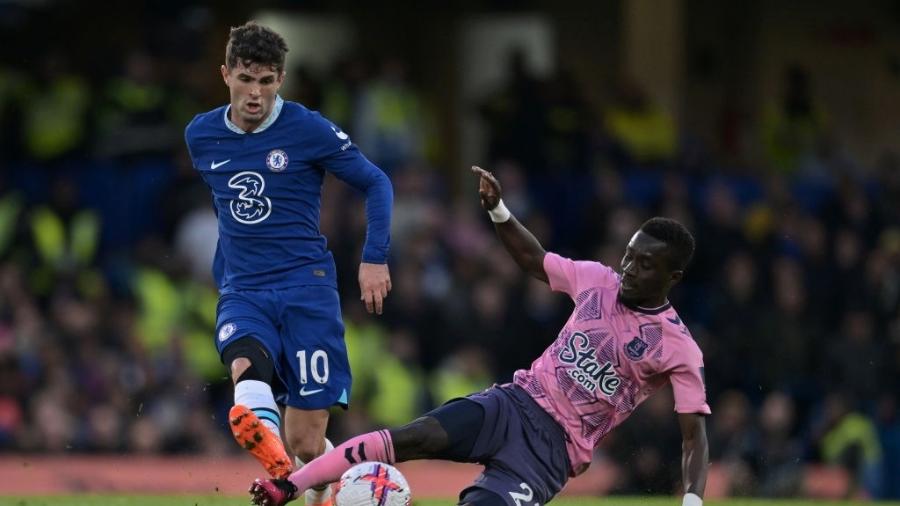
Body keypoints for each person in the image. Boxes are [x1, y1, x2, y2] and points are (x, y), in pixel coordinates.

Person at [250, 166, 709, 506]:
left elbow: (694, 437)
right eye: (629, 256)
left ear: (674, 275)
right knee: (414, 436)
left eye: (645, 264)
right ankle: (289, 485)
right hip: (511, 404)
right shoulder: (598, 280)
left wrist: (692, 500)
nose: (629, 268)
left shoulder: (677, 348)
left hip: (549, 454)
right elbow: (534, 260)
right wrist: (499, 210)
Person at [183, 21, 393, 506]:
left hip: (307, 288)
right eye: (245, 78)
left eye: (267, 81)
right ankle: (262, 432)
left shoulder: (307, 128)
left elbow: (376, 181)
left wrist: (374, 258)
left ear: (280, 80)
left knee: (307, 443)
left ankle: (326, 485)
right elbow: (227, 208)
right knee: (244, 361)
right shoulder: (202, 135)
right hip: (244, 289)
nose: (255, 93)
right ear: (225, 75)